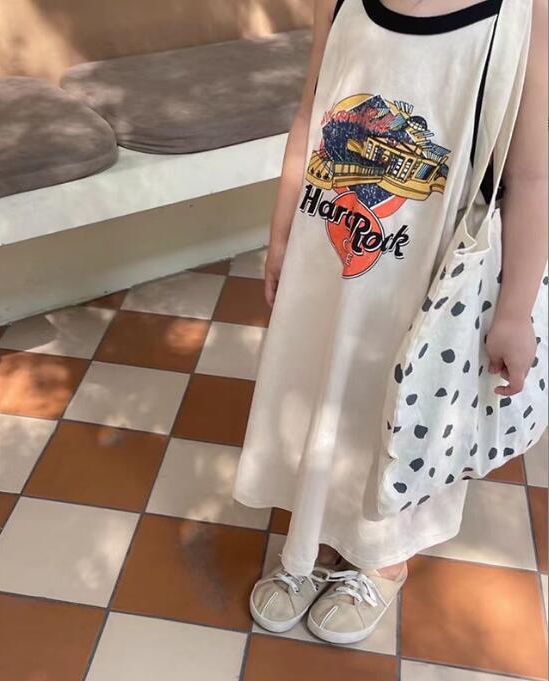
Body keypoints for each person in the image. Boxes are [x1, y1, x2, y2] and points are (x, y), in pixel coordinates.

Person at [232, 0, 548, 645]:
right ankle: (313, 537)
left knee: (404, 407)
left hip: (433, 274)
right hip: (329, 253)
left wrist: (515, 311)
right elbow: (311, 113)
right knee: (321, 389)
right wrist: (281, 235)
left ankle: (382, 558)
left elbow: (533, 174)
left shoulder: (522, 12)